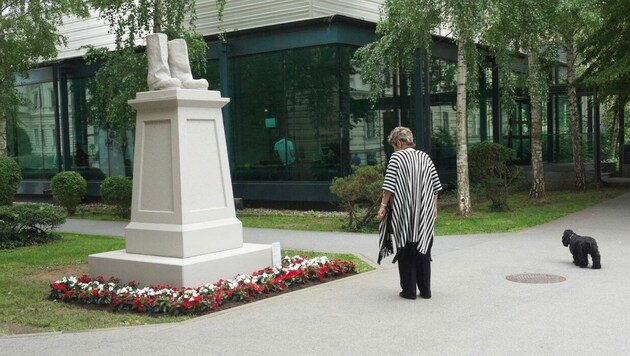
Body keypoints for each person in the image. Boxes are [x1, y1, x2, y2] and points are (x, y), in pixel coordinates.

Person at [376, 126, 442, 300]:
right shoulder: (425, 157)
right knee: (423, 251)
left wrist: (383, 205)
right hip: (425, 213)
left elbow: (389, 186)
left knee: (406, 251)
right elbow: (436, 187)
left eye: (393, 145)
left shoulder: (396, 157)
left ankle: (409, 291)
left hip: (404, 213)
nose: (394, 149)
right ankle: (426, 291)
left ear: (398, 142)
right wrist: (434, 207)